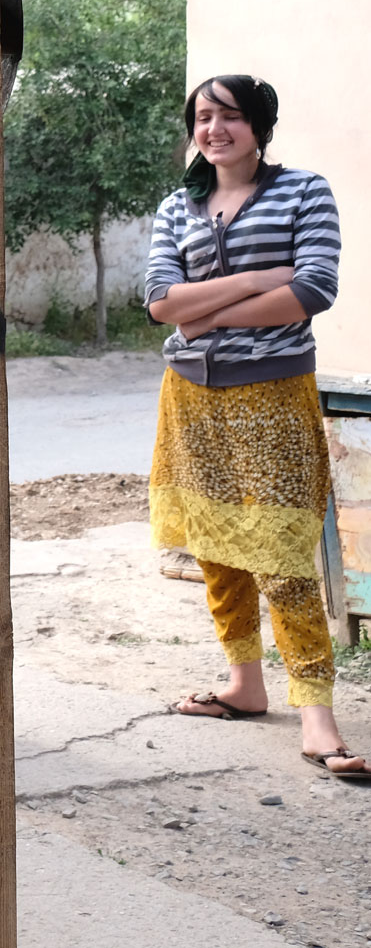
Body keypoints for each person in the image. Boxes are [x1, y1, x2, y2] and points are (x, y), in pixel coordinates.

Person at [145, 74, 365, 782]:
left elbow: (311, 289)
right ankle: (244, 684)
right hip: (190, 400)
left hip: (271, 396)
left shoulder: (303, 191)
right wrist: (247, 283)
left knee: (282, 556)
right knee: (213, 546)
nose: (213, 129)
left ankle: (316, 716)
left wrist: (201, 311)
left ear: (259, 126)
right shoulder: (177, 206)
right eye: (202, 117)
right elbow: (158, 302)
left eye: (229, 116)